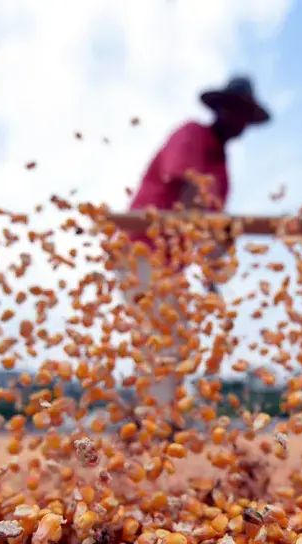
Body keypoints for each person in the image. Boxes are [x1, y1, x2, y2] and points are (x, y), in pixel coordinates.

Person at [113, 76, 271, 432]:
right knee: (163, 332)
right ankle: (154, 423)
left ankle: (151, 417)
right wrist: (213, 232)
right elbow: (188, 193)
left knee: (177, 337)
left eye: (246, 116)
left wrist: (214, 270)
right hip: (141, 245)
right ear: (219, 108)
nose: (240, 122)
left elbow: (209, 226)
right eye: (236, 112)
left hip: (169, 262)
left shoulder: (223, 169)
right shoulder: (192, 134)